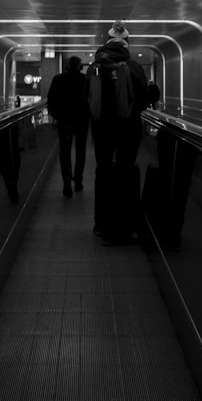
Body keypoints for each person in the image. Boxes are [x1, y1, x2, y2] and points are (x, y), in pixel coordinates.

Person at [89, 21, 149, 245]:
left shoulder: (94, 67)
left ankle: (101, 224)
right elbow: (142, 100)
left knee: (103, 172)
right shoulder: (134, 67)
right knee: (125, 171)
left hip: (102, 129)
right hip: (128, 129)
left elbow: (89, 99)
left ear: (106, 42)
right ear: (127, 43)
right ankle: (124, 225)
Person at [47, 55, 89, 197]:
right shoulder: (84, 80)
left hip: (64, 120)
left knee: (65, 151)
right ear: (80, 67)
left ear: (67, 66)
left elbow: (51, 99)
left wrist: (56, 116)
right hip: (81, 120)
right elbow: (90, 99)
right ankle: (78, 180)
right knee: (80, 150)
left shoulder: (58, 79)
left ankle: (66, 182)